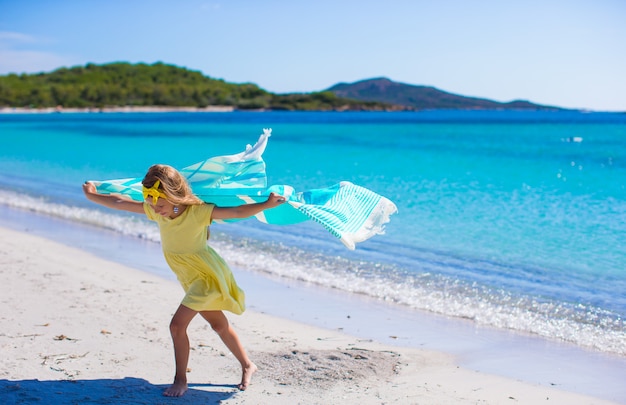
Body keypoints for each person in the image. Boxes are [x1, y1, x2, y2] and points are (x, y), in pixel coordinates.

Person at [82, 164, 286, 397]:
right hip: (188, 277)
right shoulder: (156, 210)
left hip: (205, 276)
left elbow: (237, 212)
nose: (156, 210)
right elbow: (119, 202)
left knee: (177, 326)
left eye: (160, 204)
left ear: (175, 196)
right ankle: (248, 364)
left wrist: (266, 205)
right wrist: (92, 195)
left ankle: (181, 380)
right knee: (219, 325)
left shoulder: (197, 212)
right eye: (151, 203)